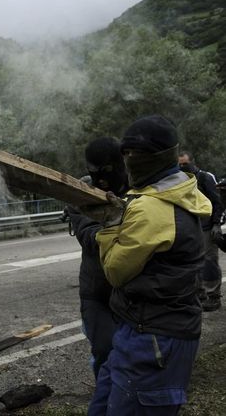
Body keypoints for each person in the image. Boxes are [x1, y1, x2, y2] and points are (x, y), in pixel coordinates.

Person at [87, 116, 211, 415]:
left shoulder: (151, 207)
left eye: (135, 155)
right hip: (139, 328)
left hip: (155, 338)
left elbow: (115, 272)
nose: (129, 162)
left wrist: (107, 224)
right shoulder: (177, 189)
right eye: (125, 154)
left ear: (158, 157)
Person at [69, 137, 128, 379]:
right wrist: (115, 223)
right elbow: (88, 236)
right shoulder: (80, 194)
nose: (101, 180)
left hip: (130, 290)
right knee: (104, 351)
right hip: (96, 292)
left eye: (107, 171)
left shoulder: (139, 190)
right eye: (94, 172)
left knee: (131, 353)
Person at [178, 151, 224, 311]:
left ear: (193, 161)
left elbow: (217, 202)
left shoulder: (205, 177)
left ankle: (213, 297)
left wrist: (217, 224)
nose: (183, 167)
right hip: (191, 229)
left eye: (185, 164)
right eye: (180, 164)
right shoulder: (181, 181)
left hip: (207, 228)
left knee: (209, 262)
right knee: (193, 263)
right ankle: (200, 295)